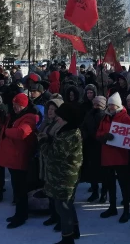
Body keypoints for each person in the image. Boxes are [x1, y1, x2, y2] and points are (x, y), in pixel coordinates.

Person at [0, 93, 40, 229]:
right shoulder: (14, 115)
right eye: (14, 104)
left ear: (25, 105)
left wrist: (7, 132)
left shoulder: (31, 117)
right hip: (12, 157)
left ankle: (21, 215)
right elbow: (7, 125)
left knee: (21, 189)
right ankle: (20, 213)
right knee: (17, 189)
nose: (15, 107)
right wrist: (0, 117)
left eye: (18, 105)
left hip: (20, 158)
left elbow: (22, 133)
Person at [44, 103, 84, 244]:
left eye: (60, 117)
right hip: (63, 174)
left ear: (67, 118)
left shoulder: (69, 134)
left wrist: (43, 142)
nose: (57, 119)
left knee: (63, 206)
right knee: (66, 203)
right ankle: (74, 230)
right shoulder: (65, 130)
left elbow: (54, 154)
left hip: (65, 175)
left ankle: (67, 239)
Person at [96, 93, 130, 223]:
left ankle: (126, 210)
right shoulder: (105, 117)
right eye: (109, 104)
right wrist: (104, 136)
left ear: (117, 105)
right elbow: (98, 133)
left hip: (121, 156)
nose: (111, 107)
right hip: (107, 156)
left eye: (113, 104)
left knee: (124, 184)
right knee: (109, 183)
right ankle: (112, 207)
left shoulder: (125, 118)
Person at [80, 95, 107, 203]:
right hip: (90, 145)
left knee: (104, 172)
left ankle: (104, 193)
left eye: (98, 105)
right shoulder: (89, 114)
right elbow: (84, 126)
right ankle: (95, 192)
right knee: (92, 171)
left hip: (101, 146)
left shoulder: (105, 116)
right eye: (95, 104)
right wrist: (84, 135)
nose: (96, 106)